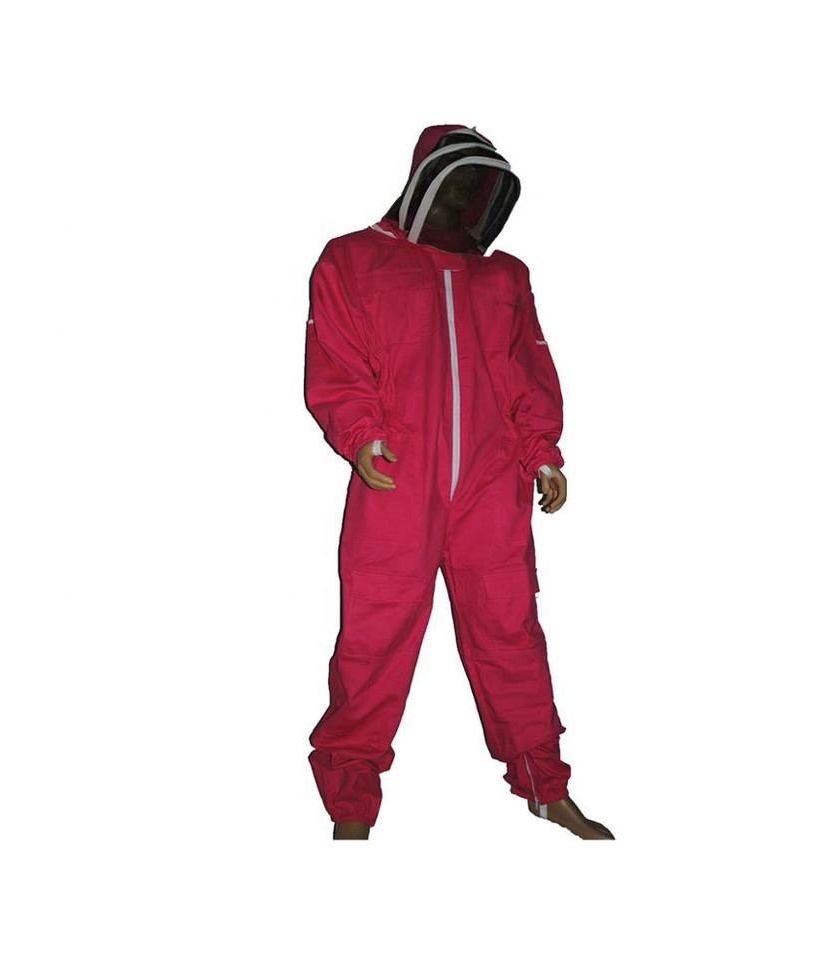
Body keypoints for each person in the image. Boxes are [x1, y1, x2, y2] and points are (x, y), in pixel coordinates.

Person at [304, 123, 614, 840]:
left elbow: (526, 369)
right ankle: (351, 799)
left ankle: (545, 785)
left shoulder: (504, 278)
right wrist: (361, 435)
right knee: (373, 641)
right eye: (456, 189)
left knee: (511, 635)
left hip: (491, 487)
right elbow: (337, 360)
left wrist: (542, 452)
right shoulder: (353, 260)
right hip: (394, 480)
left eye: (479, 193)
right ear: (424, 185)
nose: (465, 205)